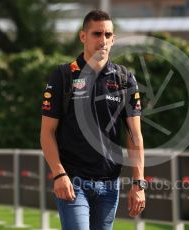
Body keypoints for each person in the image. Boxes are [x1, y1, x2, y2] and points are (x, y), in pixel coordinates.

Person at [40, 10, 146, 230]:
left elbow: (135, 135)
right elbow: (47, 132)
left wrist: (138, 183)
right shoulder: (63, 76)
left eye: (108, 35)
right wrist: (59, 174)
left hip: (109, 186)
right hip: (73, 183)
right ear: (83, 37)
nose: (103, 40)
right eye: (97, 34)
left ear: (113, 39)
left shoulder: (125, 78)